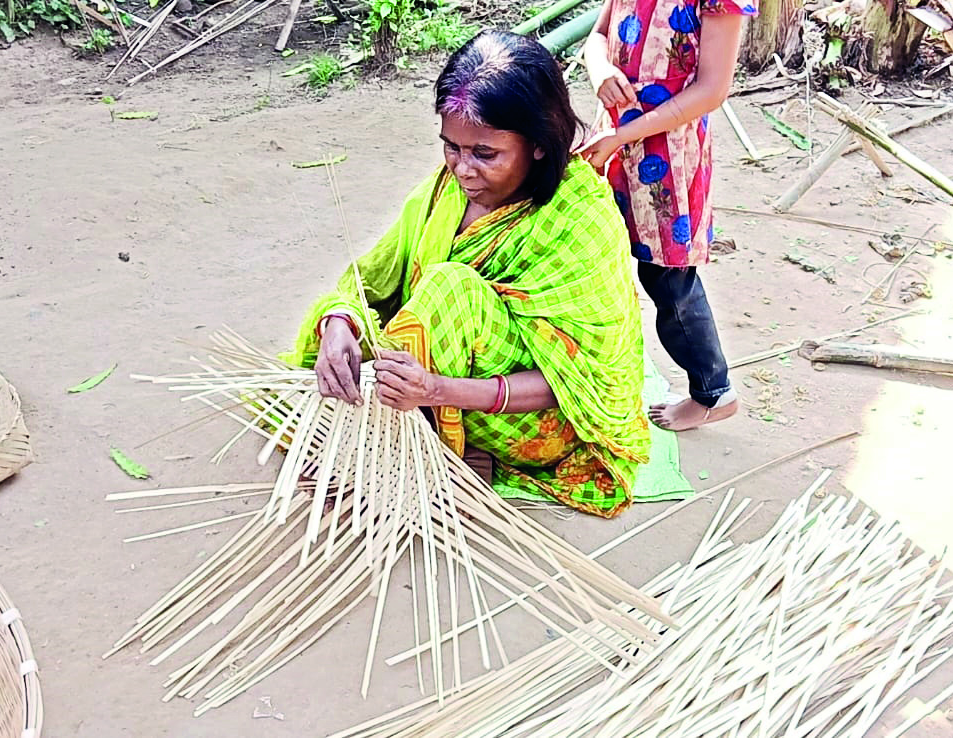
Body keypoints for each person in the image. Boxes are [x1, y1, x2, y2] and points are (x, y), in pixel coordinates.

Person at [284, 30, 650, 518]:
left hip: (534, 420)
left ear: (539, 145)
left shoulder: (580, 221)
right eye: (451, 147)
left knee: (448, 288)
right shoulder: (446, 190)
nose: (462, 169)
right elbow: (370, 278)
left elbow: (579, 380)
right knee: (344, 335)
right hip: (426, 381)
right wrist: (340, 324)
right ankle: (413, 439)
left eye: (485, 153)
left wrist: (436, 390)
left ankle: (419, 451)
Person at [578, 0, 755, 431]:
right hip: (614, 141)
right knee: (599, 253)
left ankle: (714, 393)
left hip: (669, 156)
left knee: (669, 279)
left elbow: (712, 90)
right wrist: (600, 69)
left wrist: (626, 134)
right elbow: (597, 37)